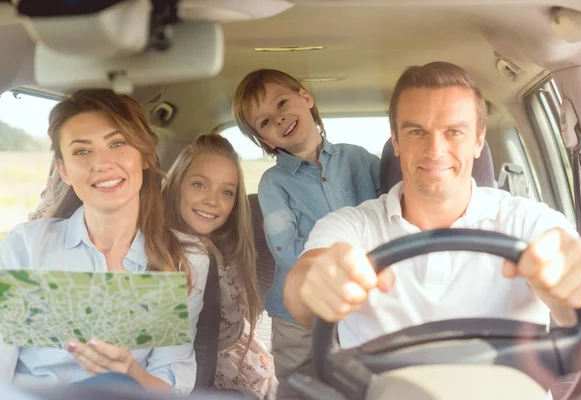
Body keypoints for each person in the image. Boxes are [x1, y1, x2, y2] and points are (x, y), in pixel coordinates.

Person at [283, 61, 581, 350]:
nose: (435, 150)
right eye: (417, 131)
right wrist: (315, 284)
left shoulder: (527, 220)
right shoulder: (350, 226)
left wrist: (580, 277)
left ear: (478, 141)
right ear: (396, 141)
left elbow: (579, 283)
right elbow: (303, 289)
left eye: (454, 132)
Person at [0, 89, 208, 394]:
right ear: (64, 171)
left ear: (145, 156)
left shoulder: (184, 260)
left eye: (118, 143)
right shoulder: (26, 248)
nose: (103, 163)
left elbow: (169, 389)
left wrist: (131, 371)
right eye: (82, 151)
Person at [232, 69, 381, 397]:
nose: (279, 119)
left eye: (282, 103)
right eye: (266, 122)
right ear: (265, 141)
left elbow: (392, 209)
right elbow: (285, 249)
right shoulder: (274, 183)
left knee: (367, 383)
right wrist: (331, 270)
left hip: (367, 301)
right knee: (303, 385)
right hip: (299, 315)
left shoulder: (359, 158)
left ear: (306, 98)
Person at [162, 134, 277, 399]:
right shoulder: (150, 244)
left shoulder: (227, 248)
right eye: (199, 185)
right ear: (177, 184)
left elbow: (228, 333)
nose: (212, 200)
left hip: (238, 370)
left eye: (226, 192)